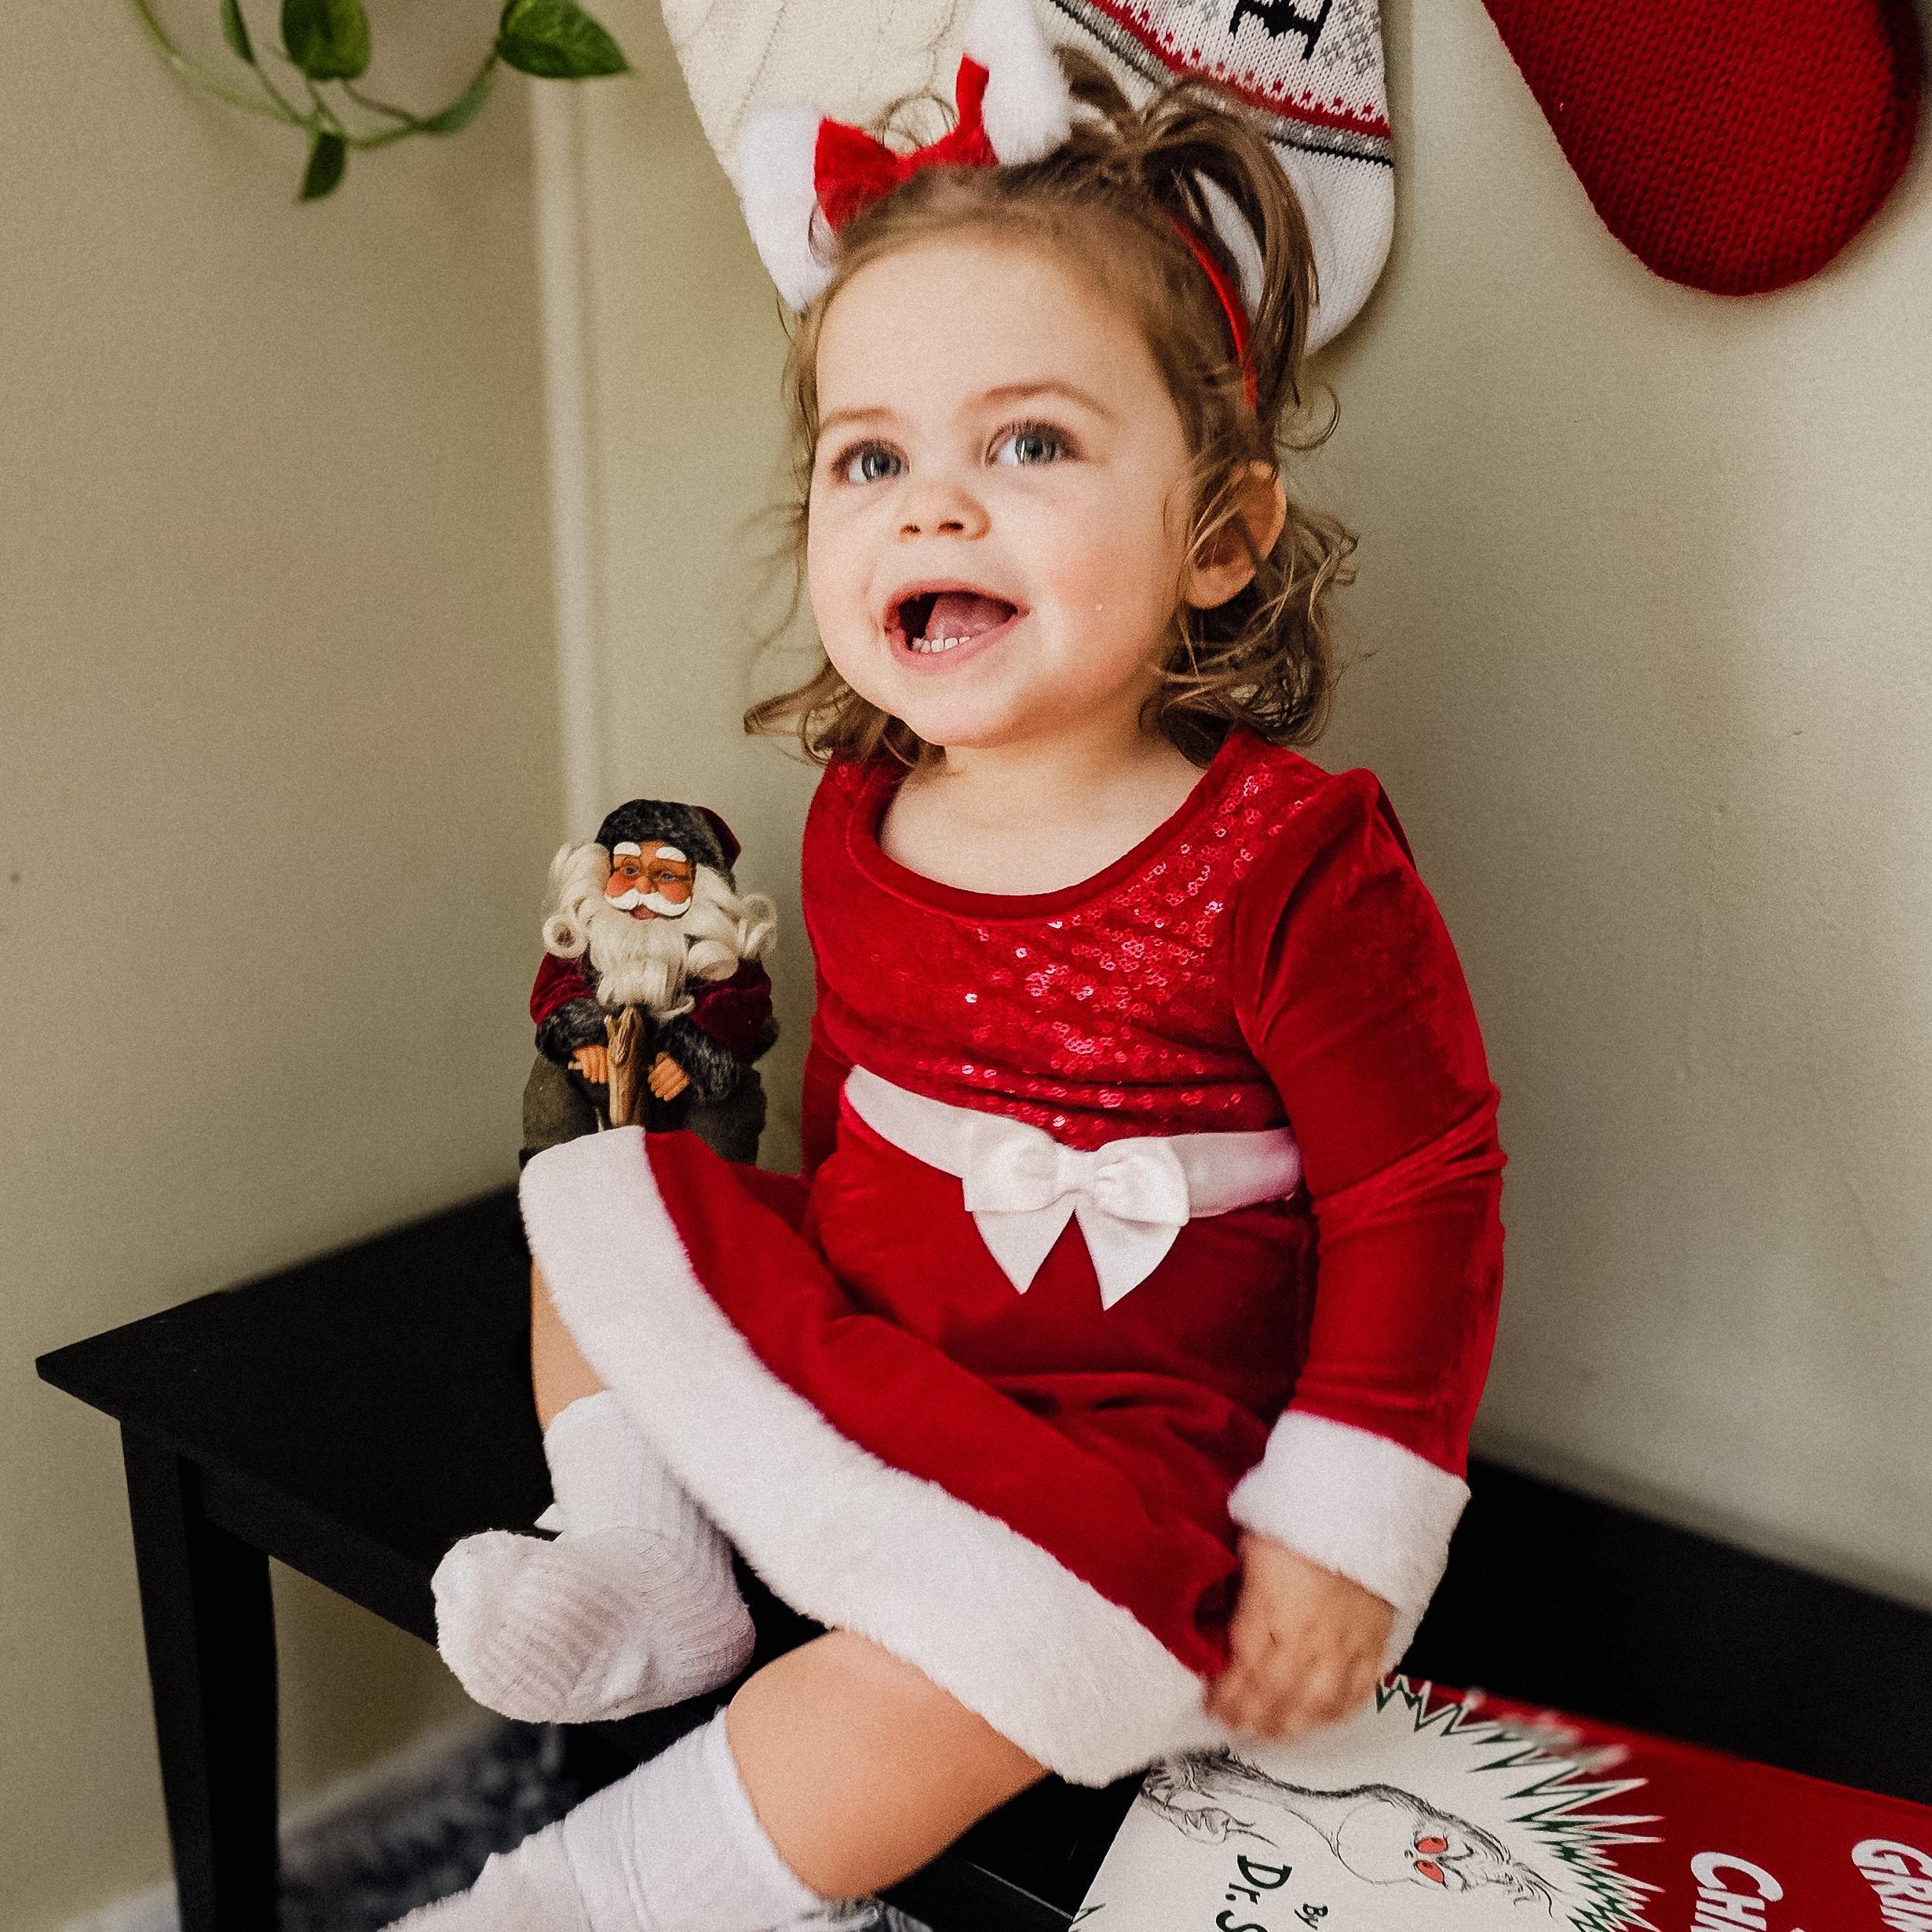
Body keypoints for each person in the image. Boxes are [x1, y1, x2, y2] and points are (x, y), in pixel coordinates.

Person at [405, 5, 1503, 1927]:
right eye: (870, 458)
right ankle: (644, 1552)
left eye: (1030, 442)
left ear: (1220, 534)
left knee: (951, 1674)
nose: (932, 502)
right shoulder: (863, 811)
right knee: (600, 1198)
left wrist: (1344, 1527)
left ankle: (582, 1897)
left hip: (1125, 1451)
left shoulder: (1286, 866)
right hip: (885, 1339)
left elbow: (1423, 1196)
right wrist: (765, 1322)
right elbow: (846, 1114)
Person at [520, 798, 779, 1167]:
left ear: (700, 887)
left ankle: (711, 1194)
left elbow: (743, 1004)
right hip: (604, 1071)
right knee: (552, 1079)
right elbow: (556, 988)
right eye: (628, 869)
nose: (642, 886)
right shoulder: (583, 937)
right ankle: (556, 1184)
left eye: (667, 875)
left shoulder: (717, 949)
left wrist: (695, 1056)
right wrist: (581, 1038)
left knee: (728, 1099)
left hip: (682, 1087)